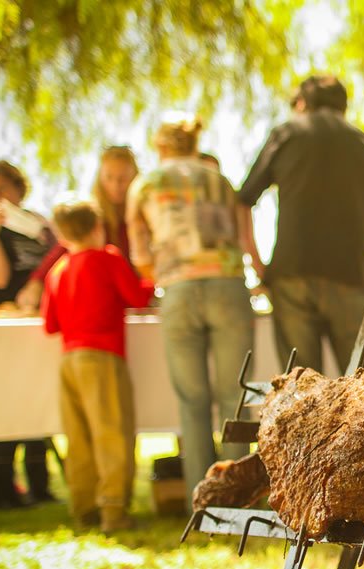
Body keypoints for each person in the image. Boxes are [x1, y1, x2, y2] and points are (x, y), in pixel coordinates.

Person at [126, 113, 257, 502]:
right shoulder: (219, 180)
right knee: (235, 394)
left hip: (180, 290)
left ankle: (201, 502)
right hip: (230, 286)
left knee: (192, 398)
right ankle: (241, 496)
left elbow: (140, 257)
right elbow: (241, 236)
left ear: (161, 146)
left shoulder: (146, 184)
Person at [237, 74, 364, 375]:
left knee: (302, 386)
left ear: (302, 103)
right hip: (348, 275)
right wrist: (355, 252)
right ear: (344, 105)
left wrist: (258, 265)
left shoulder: (287, 134)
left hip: (290, 274)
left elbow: (243, 201)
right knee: (363, 382)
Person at [41, 198, 153, 532]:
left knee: (78, 436)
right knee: (112, 432)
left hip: (69, 360)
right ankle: (114, 510)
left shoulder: (57, 270)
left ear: (62, 235)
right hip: (103, 356)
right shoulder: (107, 258)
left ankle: (83, 507)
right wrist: (152, 279)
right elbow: (136, 296)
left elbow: (50, 325)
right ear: (97, 227)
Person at [0, 160, 56, 508]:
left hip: (38, 323)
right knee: (10, 405)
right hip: (5, 325)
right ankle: (2, 486)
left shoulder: (38, 226)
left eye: (4, 188)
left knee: (38, 402)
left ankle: (40, 482)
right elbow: (0, 279)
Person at [16, 146, 140, 311]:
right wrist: (36, 282)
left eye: (123, 179)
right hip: (104, 305)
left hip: (133, 303)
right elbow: (66, 245)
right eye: (109, 177)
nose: (116, 185)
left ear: (135, 178)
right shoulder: (92, 216)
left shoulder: (143, 216)